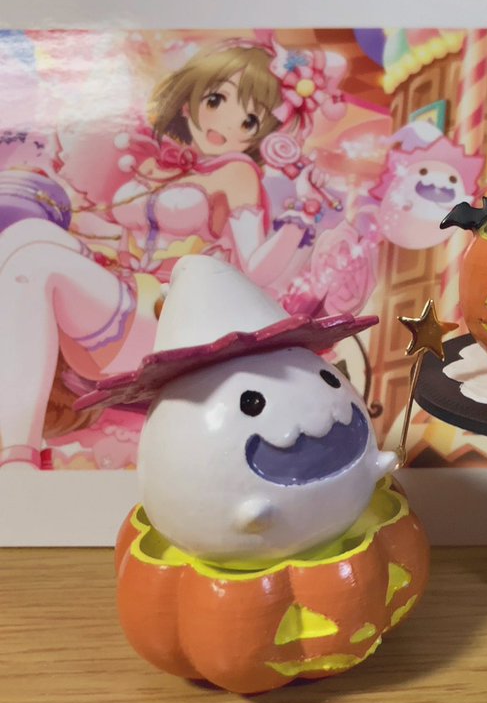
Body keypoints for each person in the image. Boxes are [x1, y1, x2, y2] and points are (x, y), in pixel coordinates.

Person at [0, 37, 338, 468]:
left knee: (34, 261)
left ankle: (18, 454)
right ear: (189, 99)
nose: (225, 126)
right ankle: (18, 449)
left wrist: (299, 219)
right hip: (128, 298)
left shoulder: (237, 174)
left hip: (167, 320)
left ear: (262, 134)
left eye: (249, 120)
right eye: (216, 100)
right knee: (25, 237)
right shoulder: (161, 161)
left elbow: (256, 269)